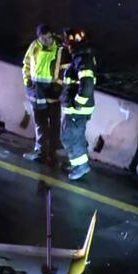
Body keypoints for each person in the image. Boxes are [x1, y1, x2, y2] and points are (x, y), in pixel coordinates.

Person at [21, 24, 65, 165]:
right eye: (43, 38)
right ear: (38, 37)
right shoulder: (34, 46)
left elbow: (65, 70)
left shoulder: (60, 49)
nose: (46, 41)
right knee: (40, 123)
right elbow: (26, 64)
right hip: (37, 92)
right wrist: (27, 81)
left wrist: (58, 86)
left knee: (54, 123)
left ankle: (53, 152)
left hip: (53, 92)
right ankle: (40, 152)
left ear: (52, 36)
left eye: (48, 38)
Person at [60, 28, 96, 181]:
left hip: (78, 109)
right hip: (76, 108)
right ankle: (78, 163)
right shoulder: (81, 58)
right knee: (75, 136)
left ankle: (81, 166)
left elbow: (86, 84)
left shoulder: (82, 59)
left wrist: (77, 103)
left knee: (70, 137)